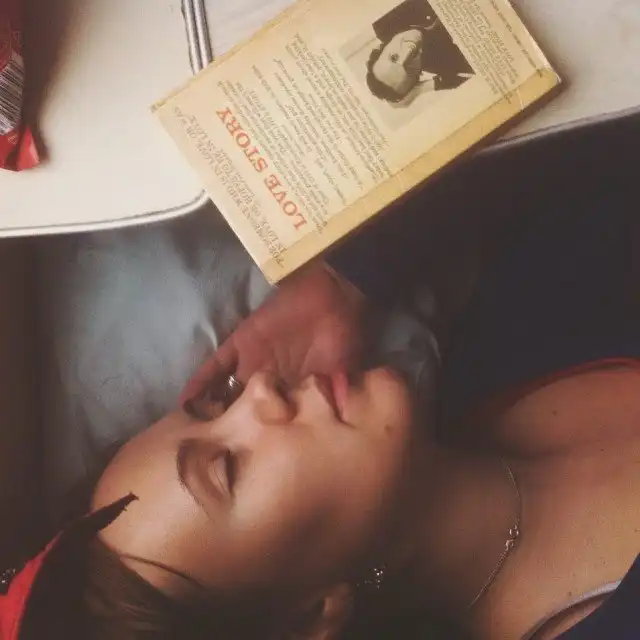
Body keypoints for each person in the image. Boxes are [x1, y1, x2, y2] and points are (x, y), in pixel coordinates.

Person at [1, 117, 639, 640]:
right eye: (227, 469)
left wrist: (344, 284)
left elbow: (536, 107)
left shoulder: (506, 332)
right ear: (308, 617)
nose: (258, 393)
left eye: (215, 406)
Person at [366, 0, 474, 103]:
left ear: (382, 47)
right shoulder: (444, 63)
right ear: (419, 73)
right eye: (410, 69)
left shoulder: (383, 20)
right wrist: (422, 88)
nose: (409, 51)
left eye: (394, 57)